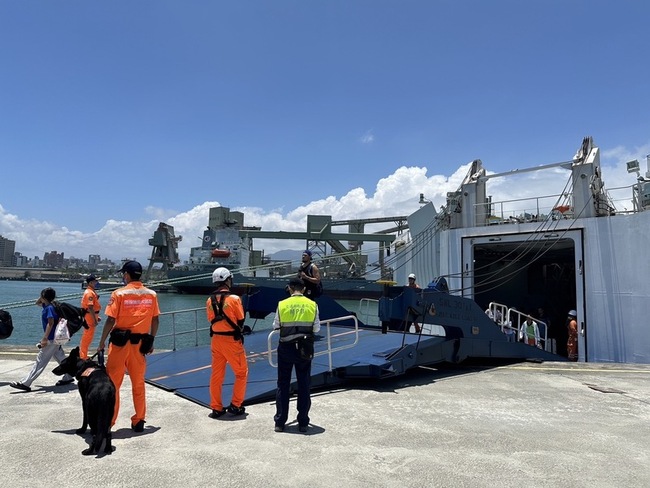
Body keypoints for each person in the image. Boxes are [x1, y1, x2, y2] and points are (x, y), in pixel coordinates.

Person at [97, 260, 160, 432]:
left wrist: (102, 341)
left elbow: (110, 319)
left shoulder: (119, 294)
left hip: (119, 345)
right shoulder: (151, 294)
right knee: (138, 383)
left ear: (126, 275)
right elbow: (155, 319)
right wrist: (151, 340)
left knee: (113, 385)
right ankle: (139, 420)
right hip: (139, 346)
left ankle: (109, 422)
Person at [272, 278, 320, 433]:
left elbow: (276, 326)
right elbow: (317, 328)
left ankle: (280, 422)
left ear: (290, 289)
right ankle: (303, 423)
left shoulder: (282, 304)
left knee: (283, 384)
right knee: (304, 384)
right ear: (304, 289)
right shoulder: (312, 305)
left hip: (286, 348)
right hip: (305, 350)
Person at [10, 287, 75, 392]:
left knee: (40, 361)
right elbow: (37, 303)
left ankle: (26, 383)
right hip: (56, 338)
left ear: (44, 297)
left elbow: (51, 323)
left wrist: (44, 338)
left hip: (51, 339)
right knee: (60, 357)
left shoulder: (49, 308)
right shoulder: (49, 305)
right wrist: (42, 297)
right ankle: (69, 376)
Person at [206, 267, 248, 419]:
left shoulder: (209, 300)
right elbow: (241, 320)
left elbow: (210, 320)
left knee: (216, 375)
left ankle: (216, 408)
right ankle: (236, 405)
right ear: (228, 280)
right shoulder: (235, 299)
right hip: (231, 341)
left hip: (216, 340)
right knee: (241, 373)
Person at [79, 274, 102, 359]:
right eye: (95, 281)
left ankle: (83, 354)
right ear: (91, 282)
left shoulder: (91, 291)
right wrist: (94, 320)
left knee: (89, 336)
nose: (97, 282)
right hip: (89, 317)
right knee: (87, 336)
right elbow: (90, 307)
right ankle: (83, 355)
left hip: (92, 315)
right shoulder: (89, 293)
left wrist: (96, 317)